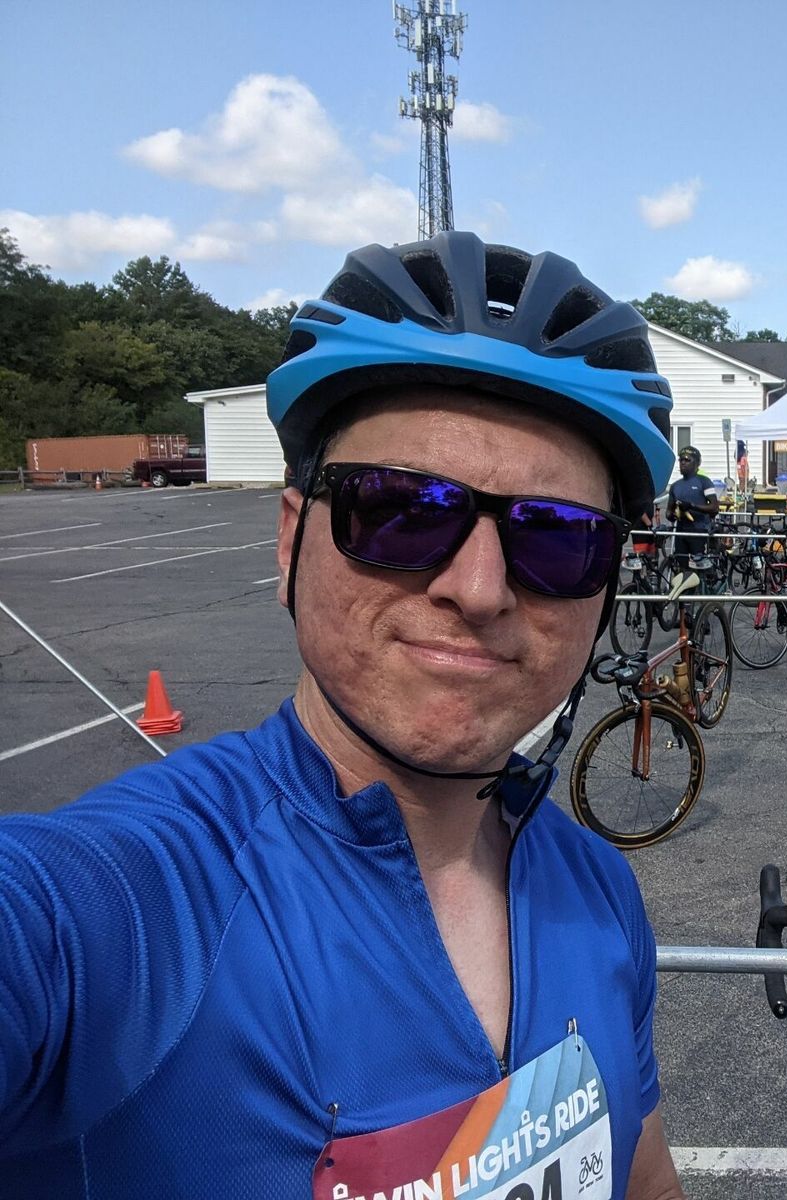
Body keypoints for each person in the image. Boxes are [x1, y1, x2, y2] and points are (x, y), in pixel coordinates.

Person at [0, 233, 685, 1198]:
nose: (479, 588)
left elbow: (644, 1180)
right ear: (292, 542)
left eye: (557, 538)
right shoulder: (125, 906)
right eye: (401, 510)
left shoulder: (599, 893)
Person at [666, 444, 718, 566]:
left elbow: (714, 508)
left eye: (687, 460)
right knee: (682, 566)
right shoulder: (675, 486)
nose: (683, 463)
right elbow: (668, 513)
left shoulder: (704, 481)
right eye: (681, 460)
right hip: (681, 532)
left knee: (699, 566)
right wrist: (673, 514)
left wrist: (692, 506)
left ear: (697, 463)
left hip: (699, 531)